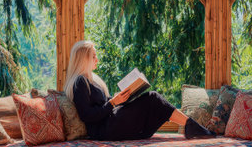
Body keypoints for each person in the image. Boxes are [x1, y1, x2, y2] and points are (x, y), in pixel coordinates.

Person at [64, 40, 216, 141]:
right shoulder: (79, 82)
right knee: (153, 98)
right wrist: (113, 103)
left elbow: (104, 103)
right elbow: (87, 115)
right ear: (83, 59)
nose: (97, 59)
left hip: (110, 121)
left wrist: (119, 98)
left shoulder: (93, 79)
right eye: (93, 56)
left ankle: (191, 127)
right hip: (104, 129)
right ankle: (192, 126)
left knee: (152, 99)